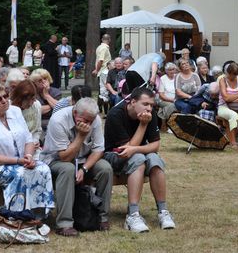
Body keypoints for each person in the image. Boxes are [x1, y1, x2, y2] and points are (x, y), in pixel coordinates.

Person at [0, 80, 54, 217]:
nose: (4, 101)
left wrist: (28, 157)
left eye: (5, 96)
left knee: (43, 168)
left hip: (20, 161)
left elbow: (28, 139)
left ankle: (39, 214)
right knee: (19, 174)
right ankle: (16, 215)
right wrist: (18, 161)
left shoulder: (15, 111)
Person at [103, 88, 176, 233]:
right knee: (138, 160)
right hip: (113, 155)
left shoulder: (150, 114)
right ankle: (133, 215)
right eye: (145, 104)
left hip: (136, 152)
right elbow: (125, 149)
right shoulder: (115, 114)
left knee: (154, 159)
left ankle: (163, 211)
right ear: (133, 102)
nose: (149, 108)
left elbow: (155, 146)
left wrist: (136, 149)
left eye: (151, 105)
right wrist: (143, 125)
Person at [42, 97, 113, 236]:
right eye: (85, 120)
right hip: (56, 161)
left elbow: (98, 150)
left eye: (91, 121)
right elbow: (65, 157)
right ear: (75, 112)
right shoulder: (58, 120)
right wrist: (81, 136)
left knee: (105, 168)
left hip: (83, 160)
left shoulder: (95, 120)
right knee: (68, 169)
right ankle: (64, 224)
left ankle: (102, 218)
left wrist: (84, 168)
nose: (88, 124)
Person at [9, 79, 42, 145]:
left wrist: (34, 141)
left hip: (33, 144)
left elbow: (37, 130)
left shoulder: (36, 105)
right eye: (27, 100)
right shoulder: (9, 108)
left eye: (32, 99)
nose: (30, 103)